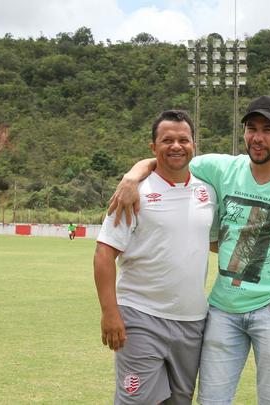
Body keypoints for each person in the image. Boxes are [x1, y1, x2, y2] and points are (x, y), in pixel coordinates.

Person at [108, 95, 270, 405]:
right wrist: (132, 175)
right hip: (223, 310)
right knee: (211, 401)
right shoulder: (222, 169)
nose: (258, 138)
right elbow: (170, 156)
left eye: (268, 129)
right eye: (252, 128)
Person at [94, 110, 218, 405]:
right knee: (136, 401)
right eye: (167, 140)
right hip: (140, 315)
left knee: (178, 401)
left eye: (183, 139)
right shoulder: (133, 193)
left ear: (194, 145)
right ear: (153, 148)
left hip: (192, 321)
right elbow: (103, 254)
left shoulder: (208, 191)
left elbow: (213, 243)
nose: (176, 146)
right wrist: (110, 313)